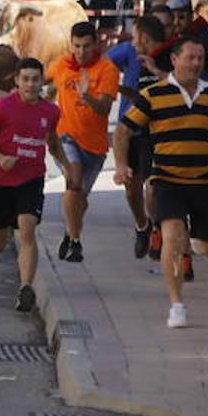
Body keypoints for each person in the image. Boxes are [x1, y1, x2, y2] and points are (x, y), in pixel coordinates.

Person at [113, 37, 208, 329]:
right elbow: (123, 131)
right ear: (174, 60)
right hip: (167, 180)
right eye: (191, 58)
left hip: (205, 182)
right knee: (172, 237)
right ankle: (177, 305)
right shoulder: (153, 95)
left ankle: (195, 243)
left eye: (200, 58)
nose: (197, 63)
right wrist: (122, 166)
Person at [0, 56, 70, 312]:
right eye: (25, 79)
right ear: (16, 81)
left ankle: (26, 288)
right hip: (0, 182)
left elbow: (53, 142)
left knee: (27, 229)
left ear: (41, 82)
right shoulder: (2, 108)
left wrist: (67, 168)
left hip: (31, 179)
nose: (30, 84)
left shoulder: (50, 111)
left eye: (35, 79)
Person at [46, 22, 120, 263]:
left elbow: (105, 109)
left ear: (96, 44)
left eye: (86, 46)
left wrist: (87, 97)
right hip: (65, 136)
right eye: (76, 46)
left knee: (80, 199)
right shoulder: (61, 65)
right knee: (74, 179)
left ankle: (69, 233)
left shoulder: (107, 69)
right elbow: (41, 84)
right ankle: (76, 243)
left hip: (95, 146)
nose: (81, 52)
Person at [107, 14, 169, 258]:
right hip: (131, 129)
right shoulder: (128, 52)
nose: (133, 42)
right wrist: (115, 87)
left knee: (152, 187)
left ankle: (157, 230)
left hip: (158, 132)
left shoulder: (172, 56)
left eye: (135, 37)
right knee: (132, 189)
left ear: (143, 36)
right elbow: (103, 64)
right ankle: (142, 226)